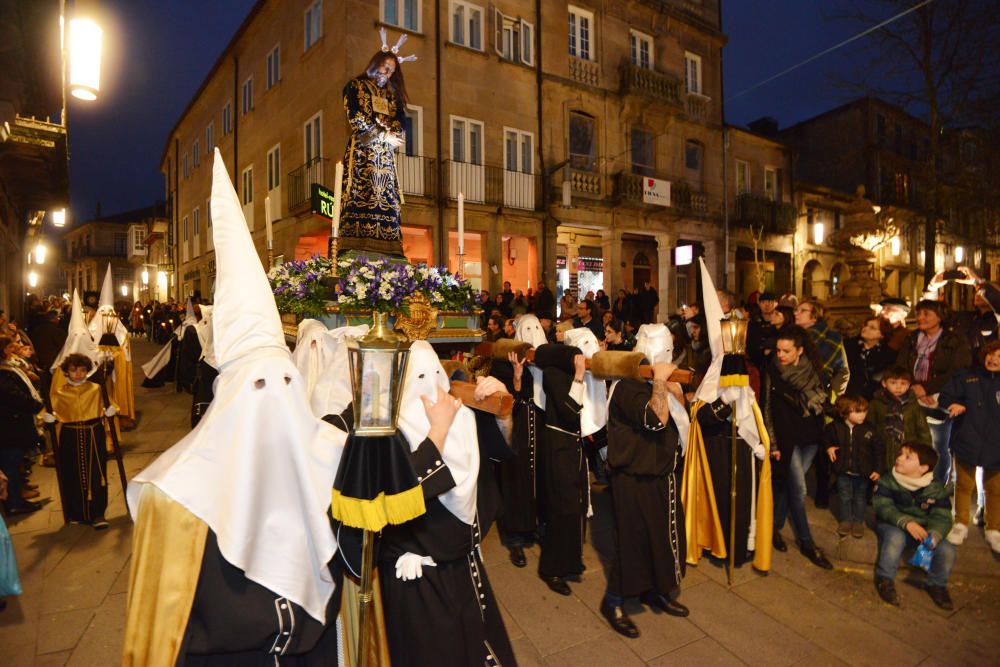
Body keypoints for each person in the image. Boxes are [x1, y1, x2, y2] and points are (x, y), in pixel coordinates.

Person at [123, 150, 347, 666]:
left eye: (288, 385)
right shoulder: (175, 498)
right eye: (260, 388)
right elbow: (160, 629)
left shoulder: (326, 462)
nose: (277, 405)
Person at [379, 341, 515, 666]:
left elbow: (502, 448)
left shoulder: (462, 415)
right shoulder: (390, 429)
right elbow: (392, 497)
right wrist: (437, 431)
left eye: (435, 374)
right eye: (419, 377)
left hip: (465, 564)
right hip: (417, 575)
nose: (430, 388)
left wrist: (503, 409)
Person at [683, 259, 774, 574]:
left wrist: (761, 438)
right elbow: (701, 415)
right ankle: (722, 547)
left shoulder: (746, 368)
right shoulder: (710, 372)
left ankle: (740, 548)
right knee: (722, 500)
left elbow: (757, 407)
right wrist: (723, 403)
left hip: (743, 447)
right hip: (717, 448)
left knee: (743, 501)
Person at [601, 325, 690, 639]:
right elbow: (655, 420)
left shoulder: (655, 382)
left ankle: (657, 589)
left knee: (662, 540)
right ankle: (613, 602)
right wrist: (662, 382)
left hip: (662, 476)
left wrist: (672, 387)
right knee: (631, 542)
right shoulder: (628, 387)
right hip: (633, 479)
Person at [534, 330, 606, 596]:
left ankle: (571, 562)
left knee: (574, 508)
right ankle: (551, 569)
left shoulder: (567, 373)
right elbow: (569, 410)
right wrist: (578, 377)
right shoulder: (553, 373)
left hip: (572, 448)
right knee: (560, 509)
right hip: (558, 449)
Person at [335, 30, 416, 258]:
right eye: (385, 67)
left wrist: (394, 135)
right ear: (375, 63)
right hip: (362, 153)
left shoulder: (392, 97)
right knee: (361, 193)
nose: (387, 72)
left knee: (387, 197)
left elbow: (401, 124)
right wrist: (383, 134)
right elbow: (356, 118)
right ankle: (356, 241)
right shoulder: (355, 87)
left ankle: (387, 244)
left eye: (391, 70)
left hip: (385, 158)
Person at [761, 325, 833, 569]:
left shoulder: (813, 370)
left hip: (810, 436)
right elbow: (767, 407)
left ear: (799, 351)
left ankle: (773, 529)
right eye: (779, 350)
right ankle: (807, 543)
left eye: (786, 351)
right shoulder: (772, 370)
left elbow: (821, 402)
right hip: (786, 437)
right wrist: (772, 442)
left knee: (787, 486)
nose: (780, 355)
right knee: (799, 490)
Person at [489, 316, 547, 568]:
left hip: (540, 429)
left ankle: (535, 527)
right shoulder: (504, 361)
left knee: (538, 479)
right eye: (527, 329)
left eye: (537, 329)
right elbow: (504, 399)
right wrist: (517, 375)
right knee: (515, 479)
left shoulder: (546, 361)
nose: (533, 333)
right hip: (516, 429)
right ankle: (514, 538)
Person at [895, 299, 971, 483]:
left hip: (940, 397)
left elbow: (958, 370)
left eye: (926, 314)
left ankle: (937, 486)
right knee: (912, 442)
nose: (920, 317)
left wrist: (928, 388)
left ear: (940, 316)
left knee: (937, 444)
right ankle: (913, 483)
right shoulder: (912, 338)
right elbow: (901, 364)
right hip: (912, 395)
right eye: (919, 313)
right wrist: (914, 386)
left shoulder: (955, 340)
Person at [873, 443, 956, 610]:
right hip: (893, 524)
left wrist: (934, 533)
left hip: (922, 529)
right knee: (895, 538)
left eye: (907, 457)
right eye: (900, 454)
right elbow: (883, 507)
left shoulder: (936, 488)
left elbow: (942, 516)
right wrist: (906, 522)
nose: (899, 458)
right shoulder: (888, 480)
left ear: (923, 468)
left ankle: (937, 584)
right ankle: (885, 578)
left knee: (947, 550)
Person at [939, 341, 1000, 553]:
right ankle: (960, 524)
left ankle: (994, 530)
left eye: (999, 357)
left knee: (995, 489)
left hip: (996, 442)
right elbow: (946, 396)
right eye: (991, 354)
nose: (993, 359)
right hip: (967, 438)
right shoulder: (966, 375)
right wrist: (954, 404)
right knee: (963, 485)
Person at [47, 353, 117, 529]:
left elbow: (110, 404)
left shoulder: (95, 388)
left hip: (94, 434)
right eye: (73, 370)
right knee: (72, 473)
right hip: (70, 437)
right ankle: (76, 512)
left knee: (97, 473)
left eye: (82, 370)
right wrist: (47, 417)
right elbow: (50, 411)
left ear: (87, 371)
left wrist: (110, 410)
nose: (78, 374)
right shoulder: (59, 392)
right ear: (66, 372)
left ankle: (98, 513)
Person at [794, 300, 849, 509]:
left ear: (814, 316)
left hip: (822, 396)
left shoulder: (831, 339)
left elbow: (842, 370)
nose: (797, 314)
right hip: (798, 395)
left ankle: (822, 490)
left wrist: (833, 395)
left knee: (821, 443)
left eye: (802, 311)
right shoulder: (794, 337)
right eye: (796, 310)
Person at [824, 395, 882, 538]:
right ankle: (845, 520)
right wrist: (829, 447)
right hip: (843, 470)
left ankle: (858, 521)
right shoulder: (834, 427)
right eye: (857, 411)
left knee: (860, 497)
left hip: (863, 472)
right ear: (844, 412)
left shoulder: (870, 428)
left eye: (864, 411)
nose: (862, 414)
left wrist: (878, 469)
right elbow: (826, 439)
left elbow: (878, 450)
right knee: (844, 496)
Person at [0, 334, 45, 515]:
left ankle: (17, 497)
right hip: (9, 427)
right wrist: (35, 405)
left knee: (15, 463)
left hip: (13, 425)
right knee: (11, 463)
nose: (15, 349)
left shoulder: (7, 368)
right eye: (11, 347)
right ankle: (14, 503)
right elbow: (13, 396)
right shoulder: (3, 374)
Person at [865, 367, 932, 473]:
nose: (898, 387)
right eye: (893, 382)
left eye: (903, 383)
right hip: (882, 449)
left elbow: (923, 431)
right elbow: (869, 427)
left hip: (907, 450)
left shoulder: (913, 406)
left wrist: (925, 454)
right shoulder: (876, 404)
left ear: (909, 385)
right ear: (884, 383)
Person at [844, 316, 896, 400]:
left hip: (874, 396)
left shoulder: (889, 354)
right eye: (866, 325)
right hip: (849, 394)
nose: (865, 328)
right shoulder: (848, 346)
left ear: (882, 335)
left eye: (872, 328)